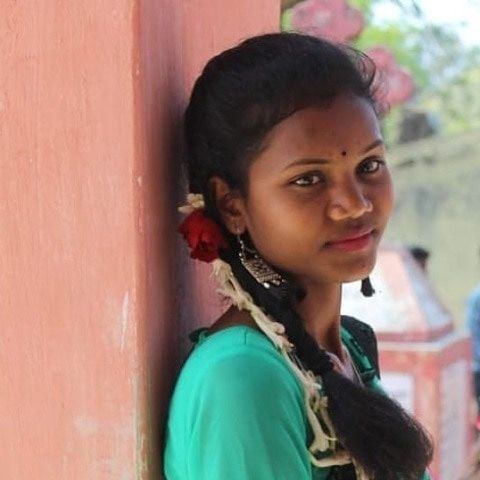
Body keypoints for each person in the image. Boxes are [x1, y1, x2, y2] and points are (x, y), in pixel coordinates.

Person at [164, 33, 433, 480]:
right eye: (308, 180)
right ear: (231, 205)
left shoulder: (348, 349)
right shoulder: (242, 379)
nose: (356, 204)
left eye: (369, 166)